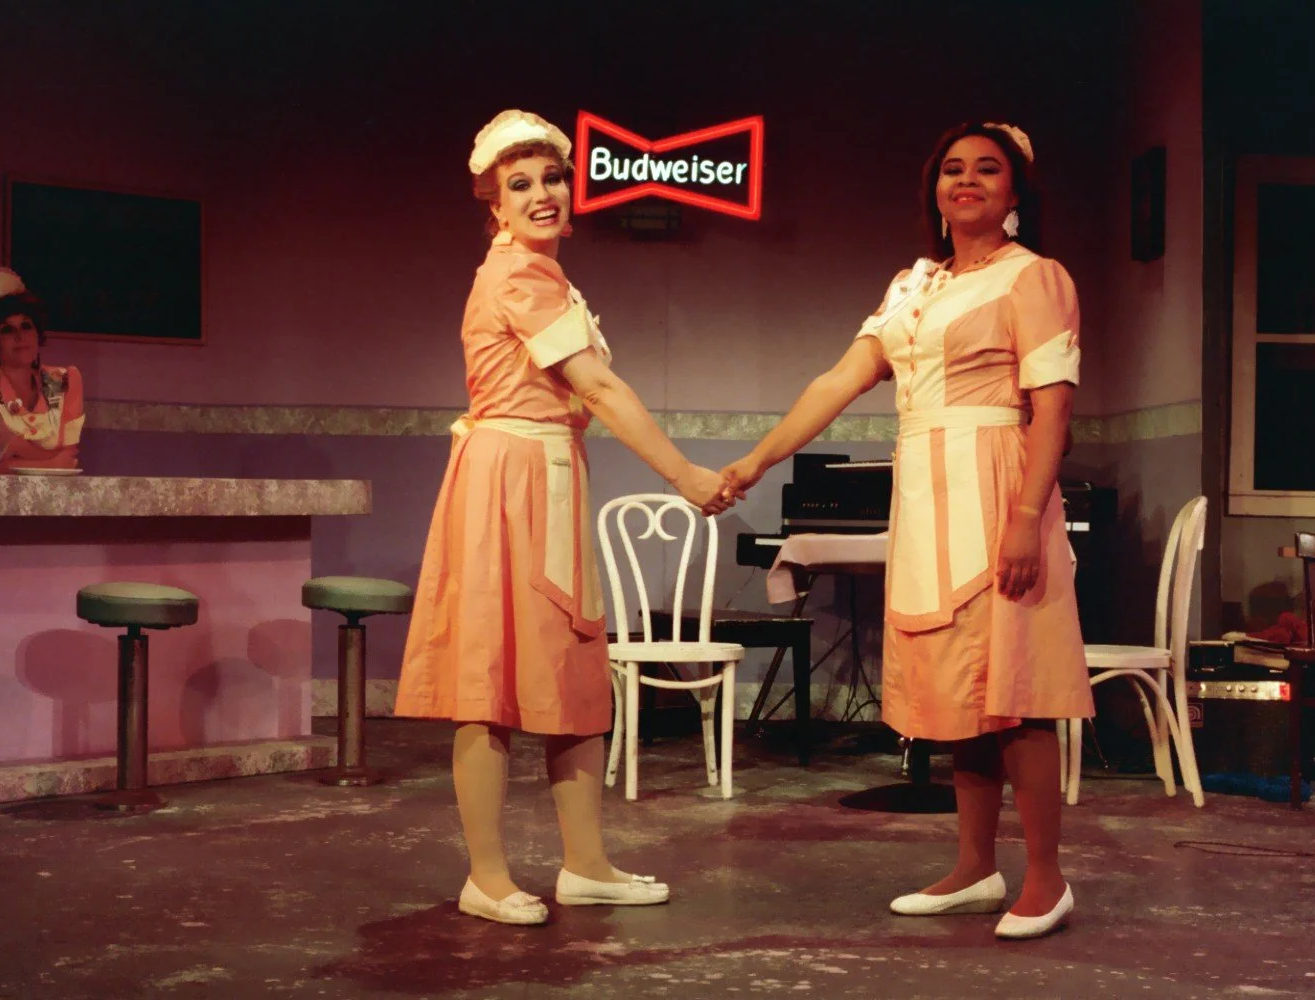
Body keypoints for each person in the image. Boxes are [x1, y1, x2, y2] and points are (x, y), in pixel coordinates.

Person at [721, 122, 1092, 939]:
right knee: (962, 690)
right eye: (953, 169)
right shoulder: (911, 287)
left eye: (987, 169)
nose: (966, 181)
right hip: (927, 494)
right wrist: (755, 461)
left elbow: (1053, 407)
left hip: (999, 482)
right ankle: (972, 866)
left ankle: (1046, 877)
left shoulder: (1035, 278)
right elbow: (839, 379)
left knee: (1017, 690)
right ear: (935, 188)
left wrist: (1026, 517)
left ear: (1016, 192)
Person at [394, 110, 734, 926]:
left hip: (547, 477)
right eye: (522, 185)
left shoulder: (547, 275)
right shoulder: (518, 276)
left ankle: (585, 863)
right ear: (495, 208)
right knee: (494, 682)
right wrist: (686, 474)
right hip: (509, 482)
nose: (542, 194)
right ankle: (487, 876)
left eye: (552, 179)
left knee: (571, 669)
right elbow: (601, 389)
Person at [0, 268, 84, 473]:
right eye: (6, 329)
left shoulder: (66, 380)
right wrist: (49, 460)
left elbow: (69, 461)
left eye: (26, 326)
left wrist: (14, 453)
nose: (19, 336)